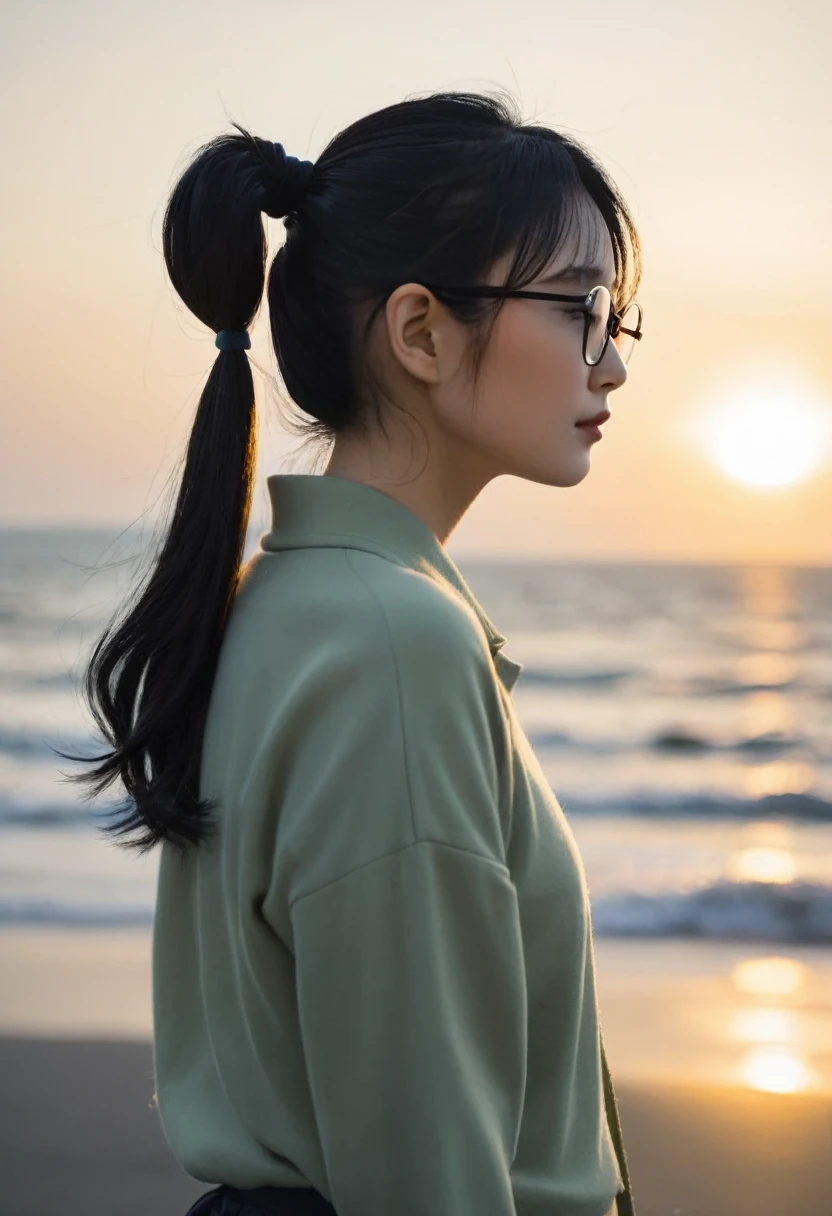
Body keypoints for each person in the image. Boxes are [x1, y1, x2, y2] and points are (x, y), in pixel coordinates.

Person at [65, 90, 643, 1216]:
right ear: (421, 330)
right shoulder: (391, 641)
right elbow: (423, 1173)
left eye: (613, 316)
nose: (609, 362)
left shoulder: (293, 603)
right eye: (580, 307)